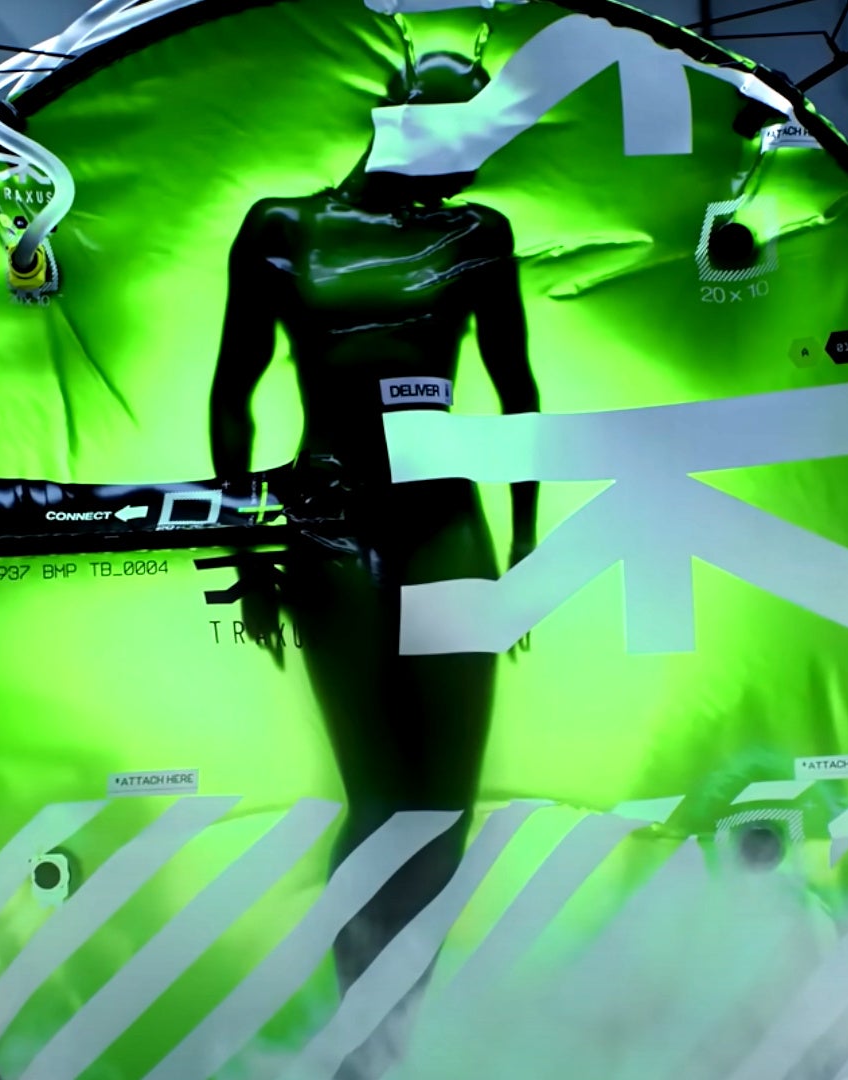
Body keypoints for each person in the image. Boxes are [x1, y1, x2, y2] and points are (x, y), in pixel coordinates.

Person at [207, 49, 539, 1075]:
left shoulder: (477, 234)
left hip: (444, 523)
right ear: (400, 116)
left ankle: (396, 1032)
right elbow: (232, 395)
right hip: (329, 520)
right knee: (381, 799)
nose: (472, 154)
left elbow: (518, 393)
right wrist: (247, 551)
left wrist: (530, 547)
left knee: (444, 806)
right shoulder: (283, 229)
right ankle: (363, 1038)